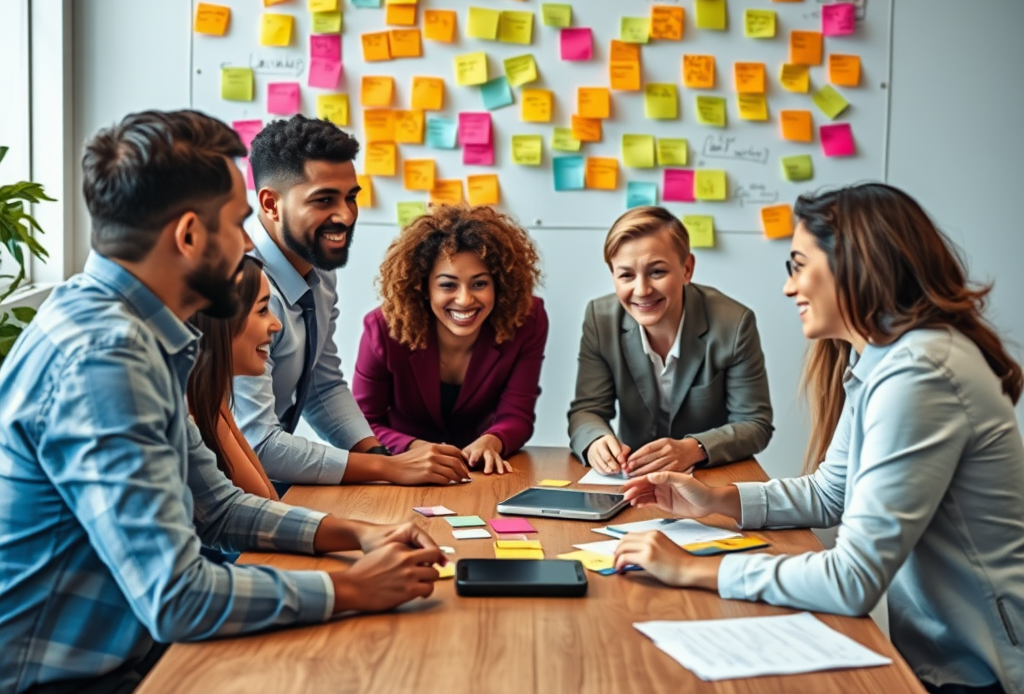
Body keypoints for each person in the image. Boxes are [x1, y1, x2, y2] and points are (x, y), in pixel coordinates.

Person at [0, 110, 443, 694]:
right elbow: (178, 598)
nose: (247, 243)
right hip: (68, 681)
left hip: (129, 654)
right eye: (237, 223)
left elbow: (220, 509)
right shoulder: (106, 357)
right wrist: (352, 588)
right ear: (189, 236)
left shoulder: (133, 329)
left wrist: (360, 534)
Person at [614, 184, 1024, 694]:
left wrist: (693, 570)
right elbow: (832, 492)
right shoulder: (881, 358)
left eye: (799, 265)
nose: (789, 287)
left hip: (986, 673)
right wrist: (716, 500)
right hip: (939, 661)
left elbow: (853, 580)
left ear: (856, 264)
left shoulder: (920, 373)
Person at [233, 115, 470, 487]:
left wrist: (380, 457)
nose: (345, 215)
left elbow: (322, 385)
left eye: (351, 197)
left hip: (263, 483)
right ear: (271, 204)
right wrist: (388, 469)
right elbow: (257, 444)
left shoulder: (318, 268)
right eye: (324, 200)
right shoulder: (239, 284)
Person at [568, 206, 773, 476]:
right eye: (626, 275)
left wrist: (695, 448)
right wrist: (595, 440)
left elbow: (755, 423)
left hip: (707, 476)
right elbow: (587, 410)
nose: (642, 290)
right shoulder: (600, 319)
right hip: (633, 477)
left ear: (686, 269)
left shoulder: (734, 323)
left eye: (656, 272)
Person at [353, 203, 548, 475]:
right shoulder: (383, 328)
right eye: (447, 285)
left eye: (479, 283)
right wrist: (414, 449)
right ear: (424, 286)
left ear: (498, 284)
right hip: (401, 470)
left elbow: (517, 413)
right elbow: (360, 425)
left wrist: (494, 440)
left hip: (481, 471)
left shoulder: (526, 319)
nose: (465, 299)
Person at [187, 255, 282, 500]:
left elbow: (267, 499)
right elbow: (264, 503)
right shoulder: (186, 414)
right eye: (262, 310)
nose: (277, 324)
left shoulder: (211, 401)